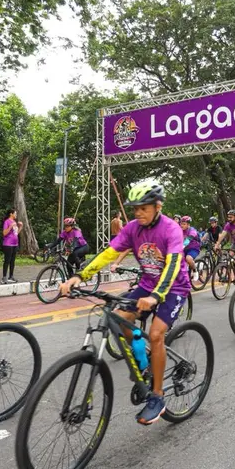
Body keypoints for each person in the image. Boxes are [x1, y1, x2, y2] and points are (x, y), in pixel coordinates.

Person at [59, 179, 189, 425]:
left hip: (173, 287)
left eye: (144, 208)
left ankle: (157, 397)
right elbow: (108, 254)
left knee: (156, 334)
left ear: (158, 206)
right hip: (147, 284)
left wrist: (156, 296)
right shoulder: (132, 228)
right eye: (135, 208)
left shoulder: (171, 229)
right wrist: (79, 276)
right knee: (119, 320)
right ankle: (144, 361)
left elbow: (173, 265)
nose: (138, 213)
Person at [1, 209, 23, 284]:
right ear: (11, 214)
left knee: (12, 261)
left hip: (15, 244)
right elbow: (4, 233)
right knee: (7, 261)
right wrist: (10, 226)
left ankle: (11, 276)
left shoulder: (14, 222)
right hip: (8, 244)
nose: (16, 215)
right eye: (15, 213)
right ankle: (4, 277)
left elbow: (16, 233)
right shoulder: (7, 222)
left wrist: (20, 227)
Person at [179, 216, 201, 282]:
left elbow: (188, 240)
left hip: (194, 248)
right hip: (184, 249)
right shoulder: (179, 230)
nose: (182, 225)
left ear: (188, 225)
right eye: (181, 224)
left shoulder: (192, 230)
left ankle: (195, 271)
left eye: (184, 224)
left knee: (188, 258)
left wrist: (182, 246)